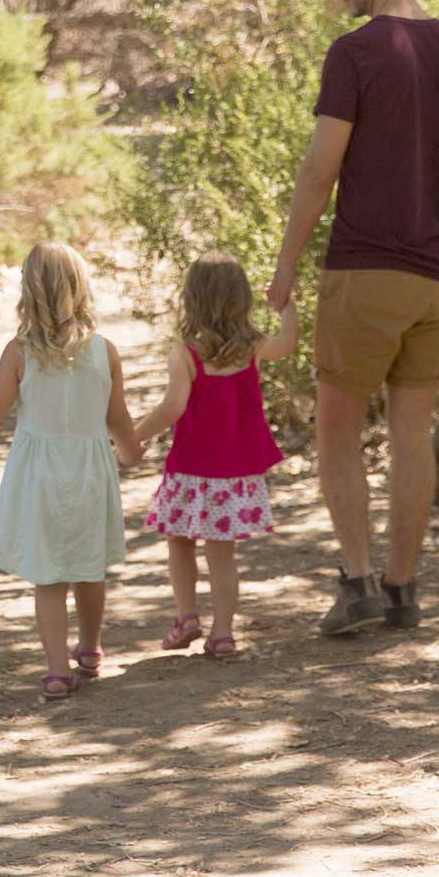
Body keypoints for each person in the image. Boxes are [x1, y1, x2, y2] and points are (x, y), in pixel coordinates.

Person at [268, 0, 439, 636]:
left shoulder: (357, 52)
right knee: (412, 428)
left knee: (336, 424)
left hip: (366, 270)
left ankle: (359, 581)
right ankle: (402, 591)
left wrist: (283, 269)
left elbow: (319, 169)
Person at [0, 242, 140, 702]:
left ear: (27, 293)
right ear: (81, 289)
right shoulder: (104, 351)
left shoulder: (20, 352)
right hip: (91, 469)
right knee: (90, 568)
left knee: (50, 576)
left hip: (40, 476)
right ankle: (89, 649)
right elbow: (118, 416)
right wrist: (130, 451)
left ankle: (56, 671)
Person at [130, 252, 294, 661]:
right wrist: (287, 305)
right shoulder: (251, 348)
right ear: (242, 300)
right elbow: (288, 343)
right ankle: (222, 634)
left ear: (191, 300)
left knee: (179, 541)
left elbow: (172, 409)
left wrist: (131, 438)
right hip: (235, 475)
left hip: (190, 469)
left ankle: (186, 616)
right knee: (222, 553)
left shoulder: (186, 355)